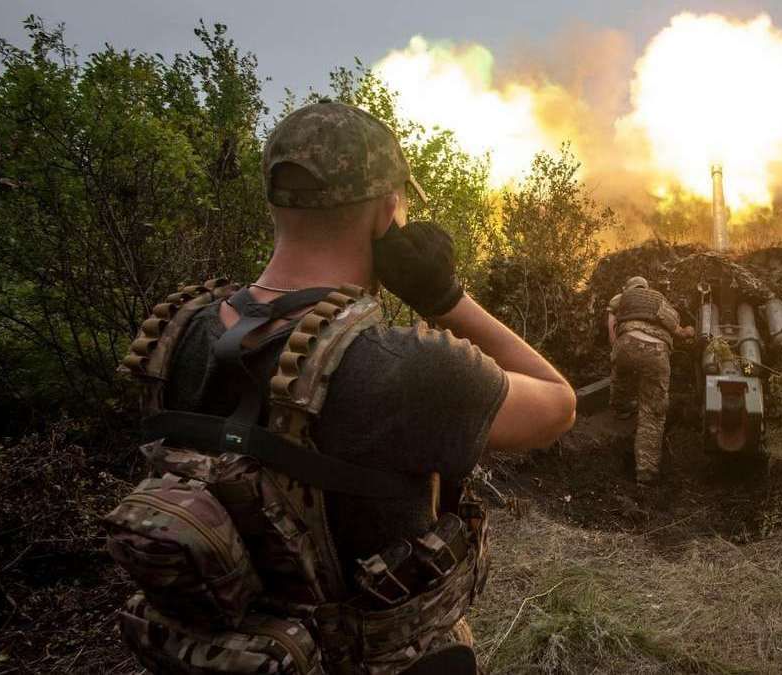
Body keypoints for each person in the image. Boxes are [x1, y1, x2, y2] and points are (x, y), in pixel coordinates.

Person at [111, 101, 576, 673]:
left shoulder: (178, 334)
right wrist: (447, 300)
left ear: (275, 203)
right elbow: (557, 404)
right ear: (387, 213)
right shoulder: (406, 366)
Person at [607, 276, 693, 484]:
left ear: (628, 287)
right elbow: (677, 329)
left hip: (626, 343)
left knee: (621, 376)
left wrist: (615, 345)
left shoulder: (623, 297)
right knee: (653, 413)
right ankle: (646, 472)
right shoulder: (659, 301)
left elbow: (611, 319)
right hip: (656, 351)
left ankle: (621, 407)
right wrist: (689, 332)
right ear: (647, 288)